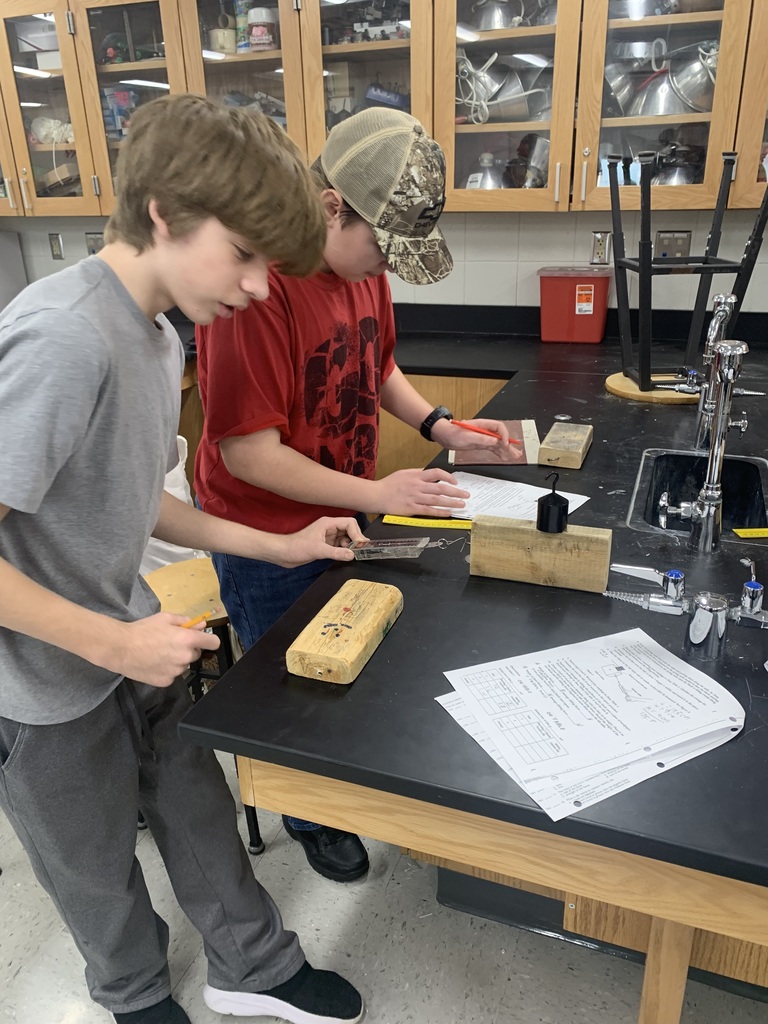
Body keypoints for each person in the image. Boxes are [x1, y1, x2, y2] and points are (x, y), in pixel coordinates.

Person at [0, 94, 366, 1024]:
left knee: (197, 809)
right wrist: (109, 644)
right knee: (92, 866)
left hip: (131, 625)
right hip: (36, 680)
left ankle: (253, 967)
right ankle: (132, 997)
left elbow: (136, 499)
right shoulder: (62, 337)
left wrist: (281, 541)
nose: (253, 288)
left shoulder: (162, 339)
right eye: (241, 255)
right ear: (163, 211)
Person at [194, 108, 521, 884]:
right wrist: (376, 487)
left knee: (355, 660)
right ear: (333, 203)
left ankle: (346, 788)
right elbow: (249, 455)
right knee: (294, 684)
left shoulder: (363, 267)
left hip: (347, 508)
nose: (384, 265)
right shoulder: (257, 288)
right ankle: (310, 815)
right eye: (381, 243)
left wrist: (440, 426)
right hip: (267, 536)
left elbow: (374, 368)